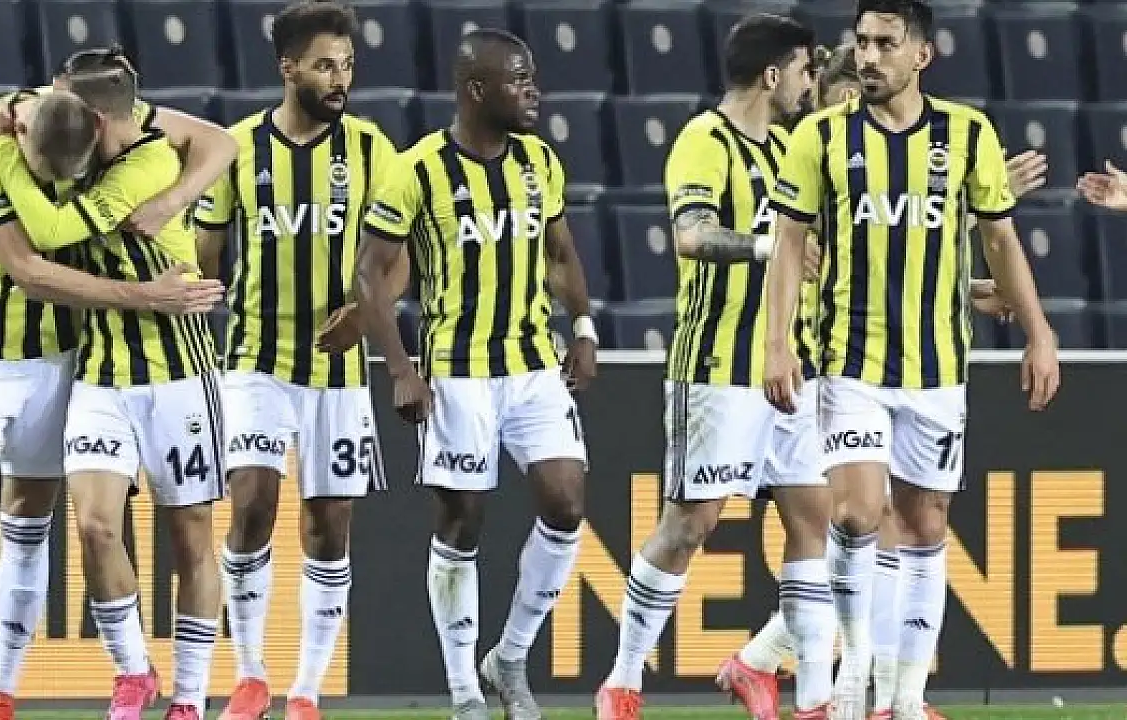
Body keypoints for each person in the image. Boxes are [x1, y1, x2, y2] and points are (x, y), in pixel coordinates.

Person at [717, 41, 1050, 720]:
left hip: (887, 365)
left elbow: (901, 260)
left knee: (877, 533)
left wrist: (975, 278)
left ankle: (812, 679)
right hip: (825, 363)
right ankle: (838, 688)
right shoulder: (819, 166)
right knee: (855, 525)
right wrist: (973, 212)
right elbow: (858, 257)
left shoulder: (893, 157)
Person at [0, 56, 230, 720]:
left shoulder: (138, 153)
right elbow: (29, 263)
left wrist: (172, 200)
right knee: (77, 522)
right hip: (51, 364)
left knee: (186, 534)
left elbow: (218, 140)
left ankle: (186, 698)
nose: (59, 178)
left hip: (156, 366)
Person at [352, 28, 596, 720]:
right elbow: (370, 274)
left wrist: (583, 326)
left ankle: (509, 657)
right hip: (457, 373)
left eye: (532, 77)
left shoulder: (539, 161)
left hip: (532, 365)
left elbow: (560, 253)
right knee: (463, 519)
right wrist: (400, 368)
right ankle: (464, 691)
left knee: (566, 505)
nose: (534, 91)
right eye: (519, 80)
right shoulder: (417, 170)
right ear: (477, 90)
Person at [592, 15, 829, 720]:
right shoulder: (704, 139)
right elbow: (691, 235)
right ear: (772, 74)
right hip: (719, 368)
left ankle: (811, 697)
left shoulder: (790, 148)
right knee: (690, 525)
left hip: (794, 367)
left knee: (816, 522)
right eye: (803, 70)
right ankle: (622, 681)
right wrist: (770, 247)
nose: (809, 84)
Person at [190, 3, 404, 719]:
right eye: (324, 66)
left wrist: (366, 314)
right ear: (288, 69)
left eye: (347, 65)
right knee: (252, 503)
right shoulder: (238, 147)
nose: (339, 79)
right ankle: (250, 675)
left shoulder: (372, 150)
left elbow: (400, 257)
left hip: (338, 373)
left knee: (330, 525)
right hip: (256, 359)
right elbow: (206, 254)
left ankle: (307, 690)